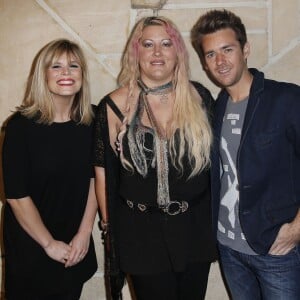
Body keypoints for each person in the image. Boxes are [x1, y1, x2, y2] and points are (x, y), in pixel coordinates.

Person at [93, 16, 217, 300]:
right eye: (148, 44)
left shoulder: (199, 97)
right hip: (140, 232)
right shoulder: (112, 106)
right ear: (136, 52)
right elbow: (103, 172)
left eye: (166, 44)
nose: (157, 52)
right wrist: (109, 228)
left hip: (194, 229)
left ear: (178, 52)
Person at [191, 9, 300, 300]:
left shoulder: (286, 99)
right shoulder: (217, 107)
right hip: (229, 249)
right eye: (211, 54)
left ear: (246, 49)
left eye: (227, 49)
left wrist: (297, 228)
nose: (220, 61)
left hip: (276, 250)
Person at [2, 39, 98, 300]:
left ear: (82, 75)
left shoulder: (94, 120)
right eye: (56, 66)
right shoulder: (20, 127)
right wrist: (48, 244)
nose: (66, 73)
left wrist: (84, 233)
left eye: (73, 66)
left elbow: (96, 180)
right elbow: (16, 196)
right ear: (42, 75)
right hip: (30, 242)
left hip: (73, 240)